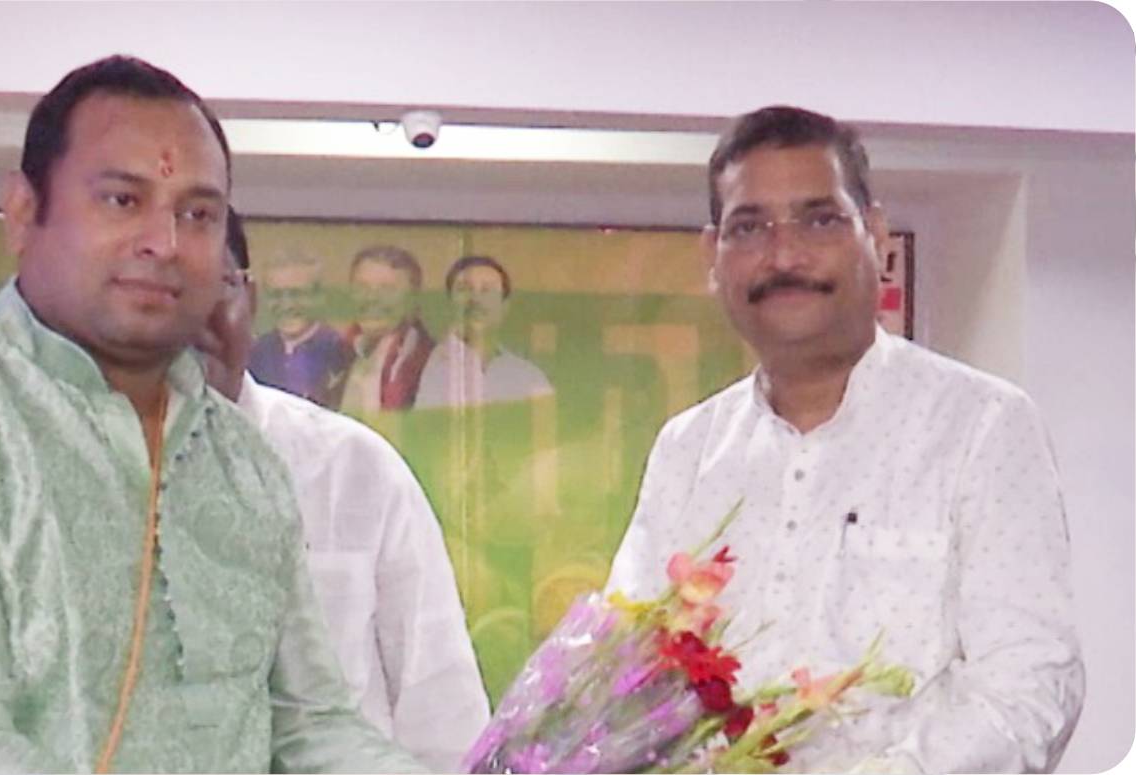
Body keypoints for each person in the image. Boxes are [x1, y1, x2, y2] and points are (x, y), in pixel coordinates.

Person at [0, 55, 426, 775]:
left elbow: (311, 729)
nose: (165, 242)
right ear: (22, 212)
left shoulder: (243, 462)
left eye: (197, 213)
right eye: (123, 200)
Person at [604, 106, 1083, 773]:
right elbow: (625, 675)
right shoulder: (687, 450)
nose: (784, 255)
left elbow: (1027, 690)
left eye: (819, 220)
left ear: (876, 236)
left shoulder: (980, 426)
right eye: (749, 227)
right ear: (712, 257)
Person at [199, 208, 491, 771]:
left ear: (248, 300)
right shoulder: (64, 477)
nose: (189, 321)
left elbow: (444, 716)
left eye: (212, 287)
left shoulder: (356, 470)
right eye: (161, 295)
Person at [415, 255, 553, 408]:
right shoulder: (420, 368)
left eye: (487, 290)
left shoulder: (529, 377)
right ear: (448, 304)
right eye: (464, 289)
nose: (475, 299)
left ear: (504, 307)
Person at [246, 246, 353, 408]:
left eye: (296, 294)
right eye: (276, 295)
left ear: (319, 296)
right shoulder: (254, 353)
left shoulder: (341, 352)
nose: (287, 304)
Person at [340, 245, 435, 413]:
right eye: (362, 287)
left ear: (412, 298)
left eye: (387, 290)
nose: (372, 298)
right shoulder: (335, 355)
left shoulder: (430, 364)